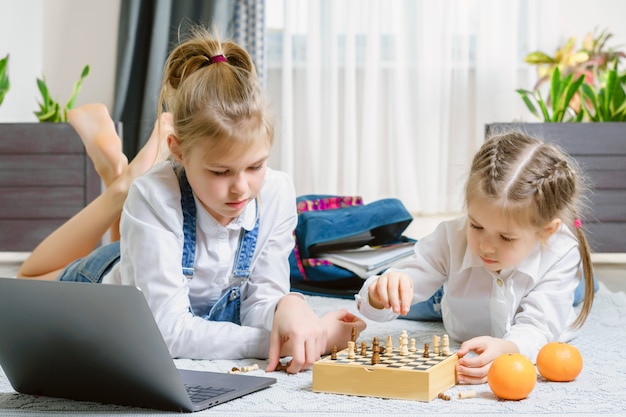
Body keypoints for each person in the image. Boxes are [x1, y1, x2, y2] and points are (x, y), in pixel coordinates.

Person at [18, 27, 366, 374]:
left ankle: (121, 180)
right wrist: (283, 340)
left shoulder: (276, 192)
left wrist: (287, 306)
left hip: (150, 248)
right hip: (112, 282)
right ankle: (120, 186)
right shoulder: (154, 197)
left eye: (256, 165)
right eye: (220, 172)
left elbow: (260, 301)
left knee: (140, 212)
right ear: (178, 151)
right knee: (25, 285)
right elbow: (165, 333)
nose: (241, 188)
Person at [355, 131, 596, 384]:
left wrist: (510, 348)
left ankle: (586, 282)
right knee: (421, 301)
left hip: (543, 281)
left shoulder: (561, 250)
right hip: (452, 295)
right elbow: (397, 286)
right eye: (476, 226)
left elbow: (539, 327)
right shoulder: (451, 236)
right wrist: (380, 292)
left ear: (546, 230)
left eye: (506, 237)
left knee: (574, 293)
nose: (486, 247)